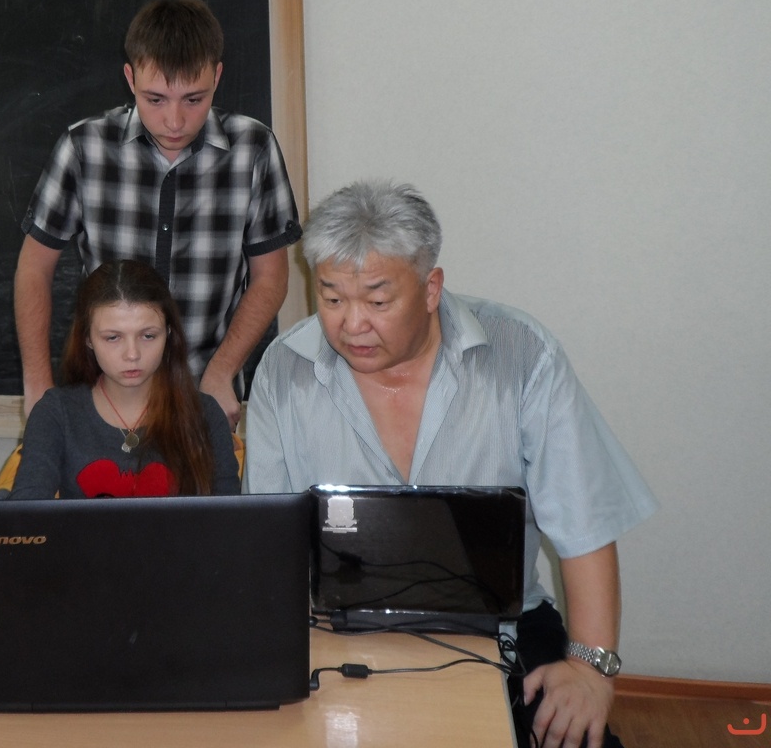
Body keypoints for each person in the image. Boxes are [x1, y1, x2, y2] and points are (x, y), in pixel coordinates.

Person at [245, 180, 657, 748]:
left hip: (504, 626)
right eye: (333, 298)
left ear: (431, 288)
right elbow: (269, 542)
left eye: (378, 301)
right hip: (335, 628)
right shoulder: (284, 370)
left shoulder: (521, 357)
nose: (352, 324)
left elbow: (584, 524)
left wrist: (591, 669)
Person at [15, 0, 301, 426]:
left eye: (193, 99)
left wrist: (222, 372)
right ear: (130, 78)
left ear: (217, 76)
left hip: (203, 395)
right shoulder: (84, 147)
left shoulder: (253, 149)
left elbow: (271, 278)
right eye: (155, 99)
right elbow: (34, 269)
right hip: (98, 398)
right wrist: (37, 382)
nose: (174, 121)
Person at [8, 260, 239, 499]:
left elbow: (229, 515)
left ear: (169, 334)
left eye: (148, 336)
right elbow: (27, 512)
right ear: (88, 339)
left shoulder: (206, 414)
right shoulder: (55, 412)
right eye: (113, 338)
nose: (132, 354)